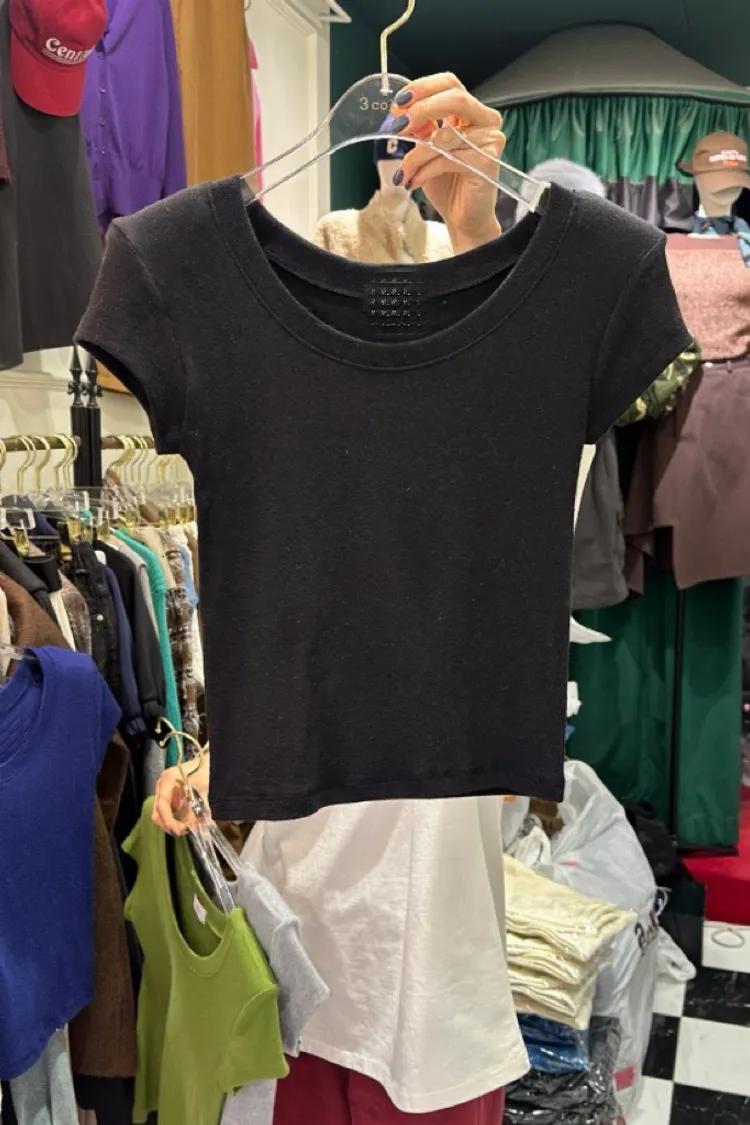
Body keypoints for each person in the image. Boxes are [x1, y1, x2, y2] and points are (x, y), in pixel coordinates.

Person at [153, 74, 528, 1125]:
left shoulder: (498, 419)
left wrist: (477, 226)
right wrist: (228, 758)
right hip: (301, 932)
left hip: (431, 948)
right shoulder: (280, 435)